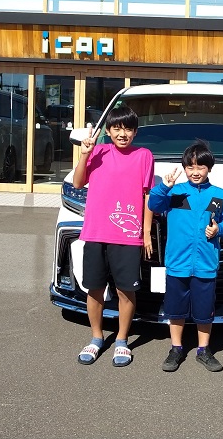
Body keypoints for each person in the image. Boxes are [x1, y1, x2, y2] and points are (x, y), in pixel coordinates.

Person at [72, 105, 154, 367]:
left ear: (135, 132)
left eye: (128, 129)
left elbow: (148, 196)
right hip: (96, 232)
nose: (122, 134)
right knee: (94, 288)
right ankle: (96, 337)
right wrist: (84, 154)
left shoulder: (144, 155)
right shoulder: (98, 151)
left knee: (126, 291)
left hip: (128, 235)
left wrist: (147, 233)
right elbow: (77, 183)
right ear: (108, 131)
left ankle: (121, 340)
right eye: (117, 128)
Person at [148, 141, 223, 373]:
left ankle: (203, 350)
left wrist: (218, 229)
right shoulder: (176, 193)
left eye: (201, 167)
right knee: (175, 310)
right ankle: (176, 348)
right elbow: (154, 204)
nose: (195, 172)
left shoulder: (218, 195)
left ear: (209, 168)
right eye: (190, 167)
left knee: (204, 311)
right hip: (177, 263)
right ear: (184, 168)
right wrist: (163, 187)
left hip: (205, 264)